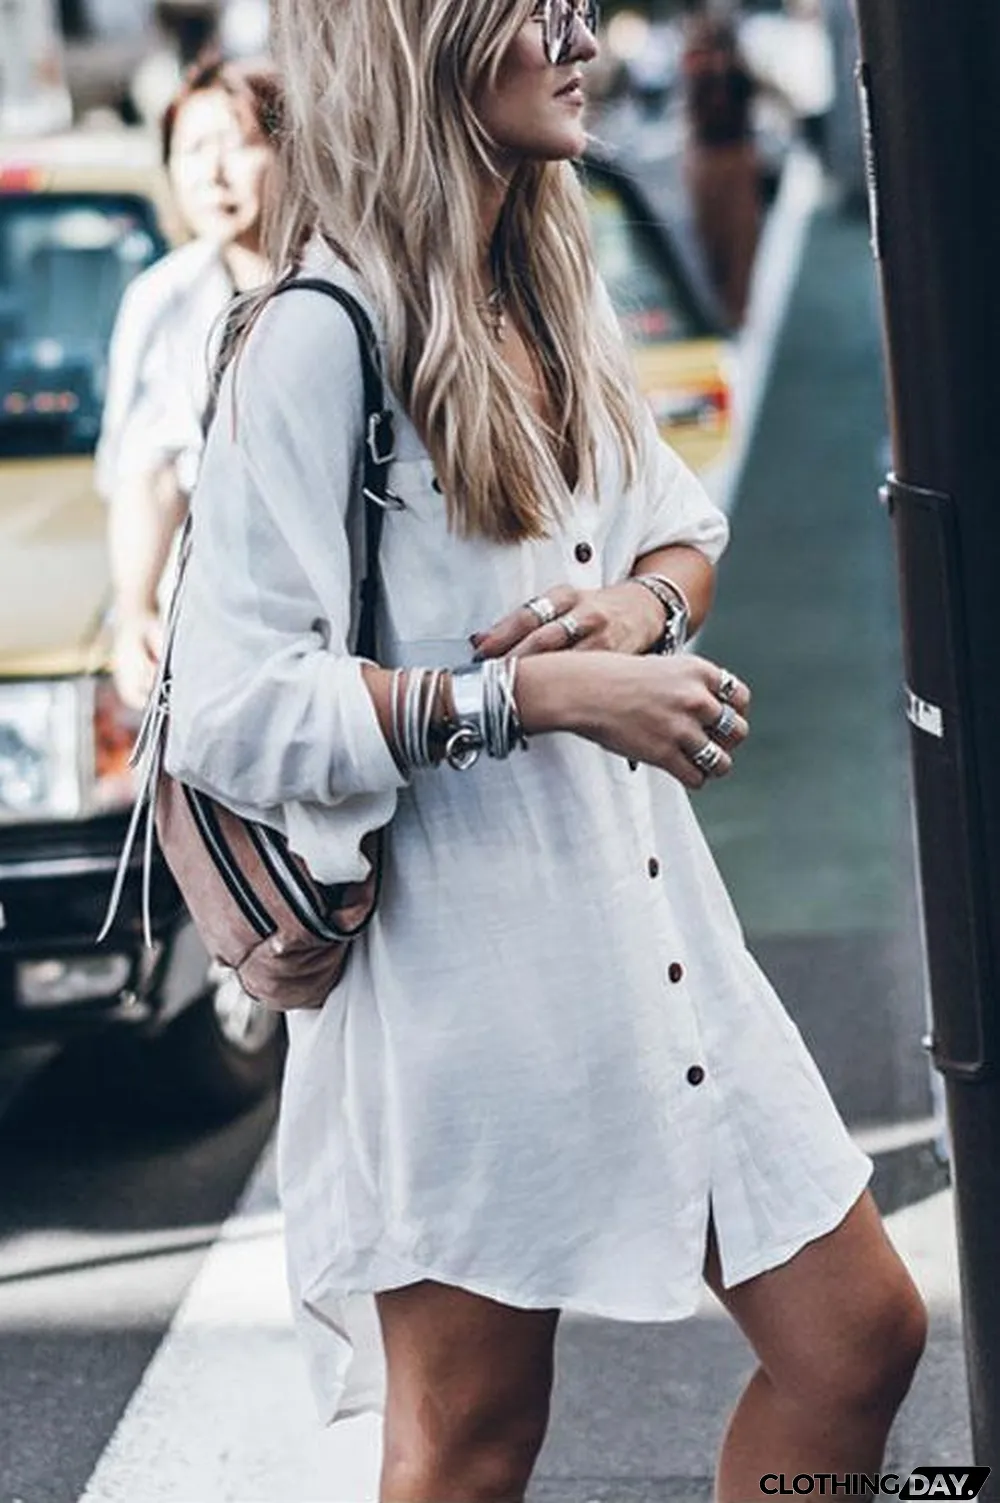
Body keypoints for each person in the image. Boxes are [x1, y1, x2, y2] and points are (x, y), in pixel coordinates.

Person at [165, 1, 927, 1498]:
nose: (584, 39)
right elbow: (229, 705)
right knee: (469, 1444)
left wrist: (636, 607)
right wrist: (544, 694)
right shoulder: (318, 342)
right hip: (463, 982)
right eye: (542, 13)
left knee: (858, 1338)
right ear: (424, 44)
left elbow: (679, 529)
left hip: (659, 933)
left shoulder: (547, 285)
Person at [96, 53, 281, 710]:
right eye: (192, 149)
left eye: (236, 145)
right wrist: (136, 609)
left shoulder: (353, 288)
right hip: (221, 635)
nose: (212, 171)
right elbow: (150, 470)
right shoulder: (166, 299)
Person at [681, 14, 763, 327]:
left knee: (741, 238)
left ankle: (738, 309)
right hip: (707, 155)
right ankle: (724, 307)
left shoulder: (736, 68)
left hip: (735, 154)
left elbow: (750, 90)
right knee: (710, 238)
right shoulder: (696, 63)